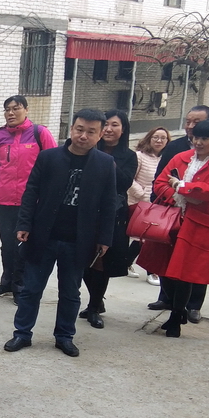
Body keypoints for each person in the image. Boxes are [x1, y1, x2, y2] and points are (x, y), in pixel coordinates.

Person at [2, 109, 117, 359]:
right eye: (79, 129)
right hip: (44, 236)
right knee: (31, 288)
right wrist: (24, 224)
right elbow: (31, 192)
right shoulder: (49, 157)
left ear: (100, 135)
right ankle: (22, 333)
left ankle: (64, 336)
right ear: (71, 129)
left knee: (70, 292)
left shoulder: (105, 164)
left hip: (79, 240)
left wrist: (104, 238)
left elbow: (109, 204)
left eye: (91, 132)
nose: (83, 136)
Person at [137, 117, 209, 338]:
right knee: (165, 268)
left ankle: (177, 315)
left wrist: (180, 185)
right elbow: (160, 182)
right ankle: (174, 309)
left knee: (185, 273)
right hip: (170, 219)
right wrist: (181, 192)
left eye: (205, 139)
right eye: (196, 137)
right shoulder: (181, 157)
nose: (198, 142)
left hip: (199, 225)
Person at [0, 95, 58, 299]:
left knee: (24, 244)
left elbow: (53, 163)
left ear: (26, 110)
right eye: (7, 109)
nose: (10, 113)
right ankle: (7, 282)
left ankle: (21, 286)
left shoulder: (39, 133)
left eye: (15, 108)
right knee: (7, 244)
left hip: (31, 202)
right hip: (4, 200)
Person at [78, 109, 135, 329]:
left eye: (115, 125)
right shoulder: (88, 149)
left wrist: (107, 162)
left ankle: (93, 307)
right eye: (107, 125)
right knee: (83, 260)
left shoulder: (128, 156)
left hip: (113, 214)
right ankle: (96, 300)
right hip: (85, 211)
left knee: (102, 261)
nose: (110, 129)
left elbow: (124, 183)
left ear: (123, 129)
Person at [128, 126, 169, 284]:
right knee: (145, 237)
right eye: (155, 137)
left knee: (147, 237)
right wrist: (141, 192)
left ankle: (127, 263)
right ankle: (151, 271)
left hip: (156, 204)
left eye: (163, 138)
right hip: (138, 203)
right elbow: (129, 178)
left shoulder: (166, 159)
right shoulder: (139, 156)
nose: (159, 141)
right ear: (149, 138)